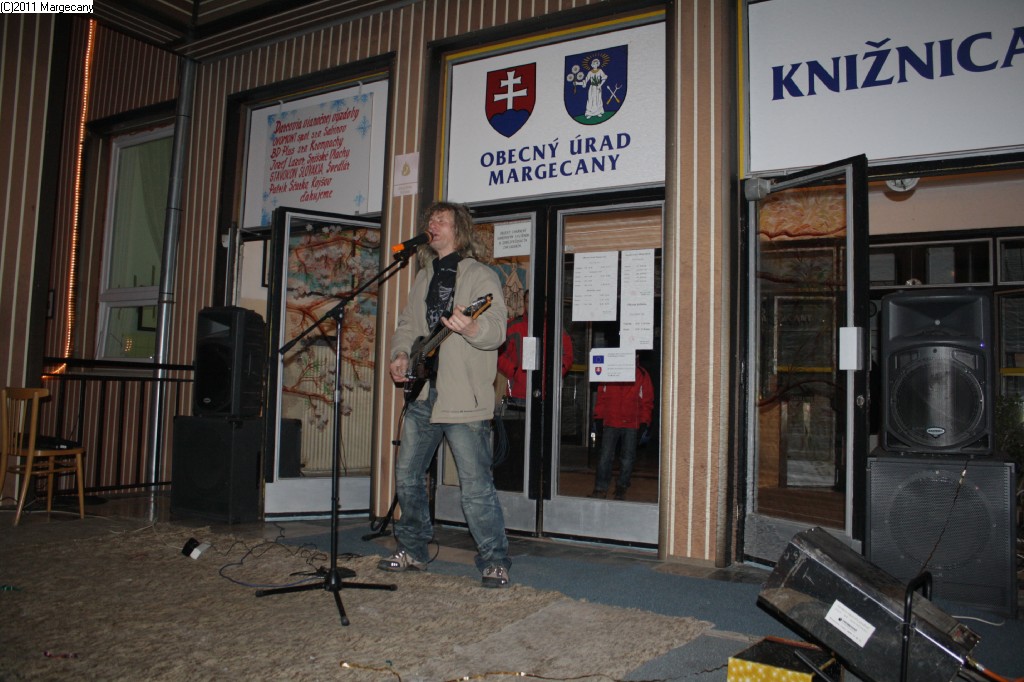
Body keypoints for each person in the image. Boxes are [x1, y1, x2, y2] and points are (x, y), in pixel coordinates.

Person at [381, 201, 512, 588]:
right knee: (407, 477)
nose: (433, 224)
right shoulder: (424, 276)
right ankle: (413, 550)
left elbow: (497, 329)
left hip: (463, 399)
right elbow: (408, 325)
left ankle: (495, 560)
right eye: (430, 220)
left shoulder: (480, 275)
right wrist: (400, 354)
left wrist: (471, 328)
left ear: (460, 231)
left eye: (441, 220)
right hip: (424, 395)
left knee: (475, 487)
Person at [494, 289, 574, 490]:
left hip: (544, 399)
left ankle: (539, 491)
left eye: (538, 302)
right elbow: (497, 354)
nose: (534, 305)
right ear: (524, 303)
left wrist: (552, 375)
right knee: (516, 449)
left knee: (541, 449)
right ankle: (515, 490)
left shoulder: (556, 329)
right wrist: (514, 371)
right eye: (529, 301)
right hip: (516, 400)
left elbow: (567, 356)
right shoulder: (513, 326)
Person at [589, 354, 654, 500]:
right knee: (605, 457)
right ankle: (600, 488)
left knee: (628, 458)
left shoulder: (642, 374)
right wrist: (598, 416)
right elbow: (602, 396)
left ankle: (621, 487)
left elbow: (647, 400)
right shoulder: (610, 370)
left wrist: (644, 422)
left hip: (631, 423)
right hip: (611, 420)